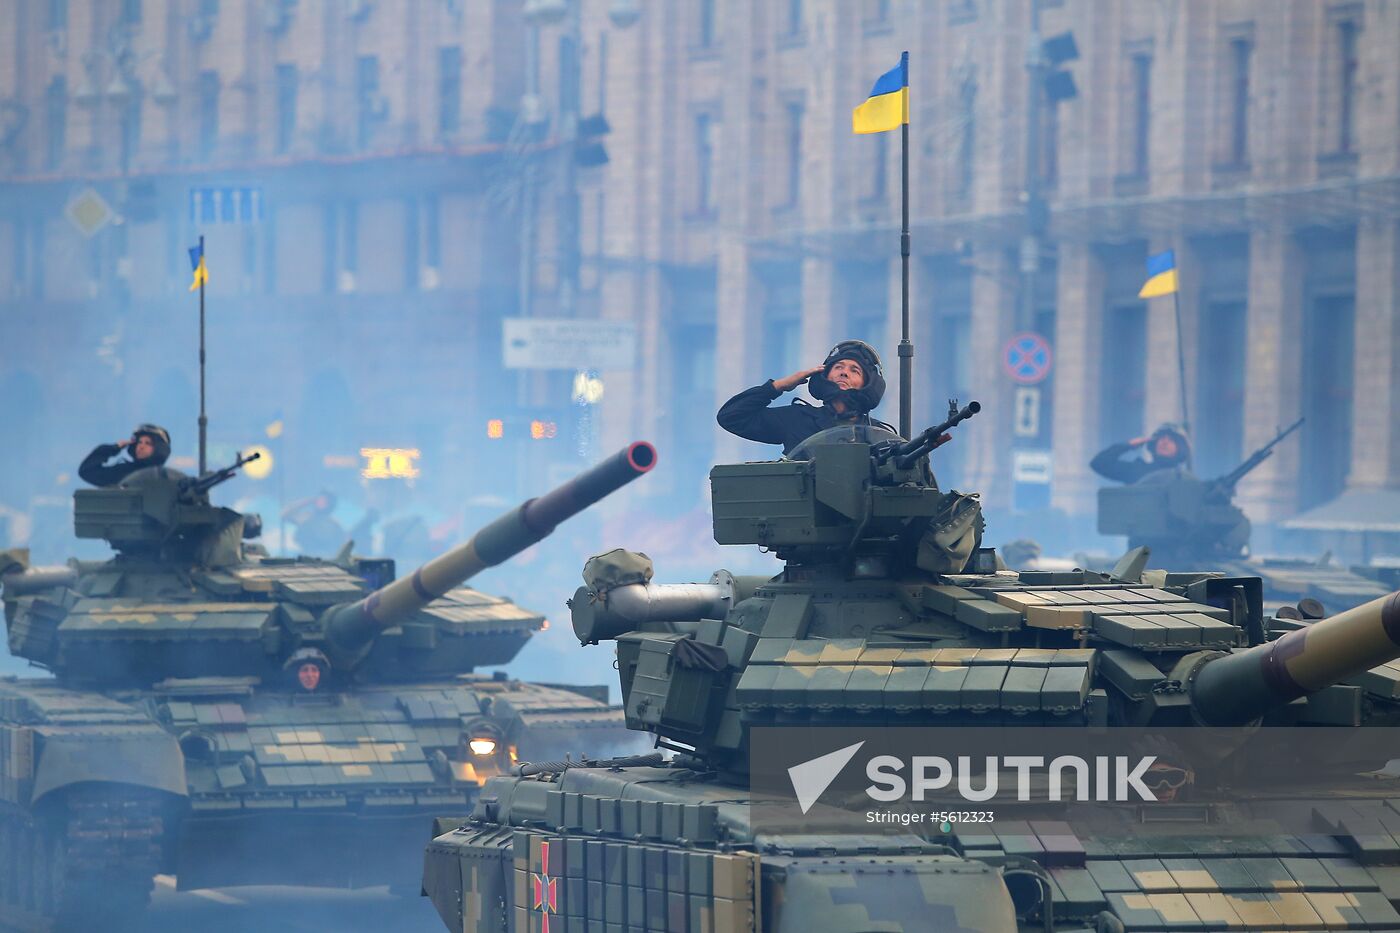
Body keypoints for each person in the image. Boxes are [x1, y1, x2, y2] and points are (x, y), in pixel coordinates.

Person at [717, 340, 890, 455]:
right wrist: (779, 386)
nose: (844, 373)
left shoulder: (878, 435)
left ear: (867, 384)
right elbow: (732, 417)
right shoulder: (798, 419)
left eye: (855, 370)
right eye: (838, 367)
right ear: (825, 375)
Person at [1090, 424, 1192, 485]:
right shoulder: (1137, 470)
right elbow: (1099, 463)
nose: (1164, 442)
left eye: (1171, 440)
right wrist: (1128, 445)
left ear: (1180, 448)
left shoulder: (1184, 480)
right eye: (1161, 438)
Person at [78, 423, 172, 487]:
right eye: (139, 442)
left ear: (159, 448)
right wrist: (114, 448)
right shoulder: (123, 472)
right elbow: (87, 471)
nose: (141, 446)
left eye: (148, 443)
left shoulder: (166, 479)